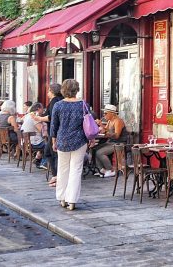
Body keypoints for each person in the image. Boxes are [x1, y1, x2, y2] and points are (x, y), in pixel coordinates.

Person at [50, 79, 88, 211]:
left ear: (63, 90)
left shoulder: (58, 105)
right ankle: (72, 200)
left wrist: (54, 141)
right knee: (76, 170)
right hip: (79, 140)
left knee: (62, 169)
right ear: (77, 89)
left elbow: (54, 126)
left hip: (62, 140)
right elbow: (88, 123)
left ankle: (62, 197)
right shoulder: (83, 104)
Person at [35, 83, 63, 186]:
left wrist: (39, 118)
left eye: (48, 91)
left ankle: (57, 177)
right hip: (56, 130)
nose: (47, 93)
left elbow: (51, 117)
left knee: (53, 153)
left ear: (52, 91)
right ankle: (56, 175)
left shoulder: (55, 101)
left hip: (54, 131)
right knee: (49, 152)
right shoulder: (59, 100)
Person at [95, 103, 127, 177]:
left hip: (119, 143)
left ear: (112, 113)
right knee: (95, 149)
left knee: (100, 153)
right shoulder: (110, 121)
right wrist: (100, 125)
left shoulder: (118, 121)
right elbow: (106, 129)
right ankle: (102, 170)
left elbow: (116, 135)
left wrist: (105, 132)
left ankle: (110, 170)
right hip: (111, 142)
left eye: (106, 113)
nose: (104, 115)